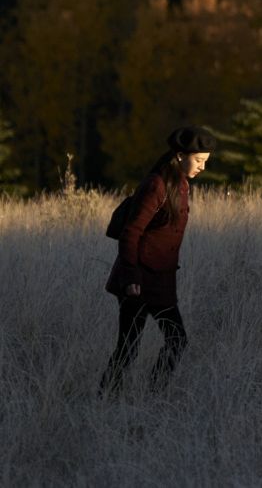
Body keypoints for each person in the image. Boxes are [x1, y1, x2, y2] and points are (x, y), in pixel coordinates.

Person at [99, 126, 215, 395]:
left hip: (160, 282)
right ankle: (106, 398)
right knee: (128, 347)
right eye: (199, 160)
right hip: (137, 281)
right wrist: (131, 277)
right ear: (179, 155)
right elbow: (131, 232)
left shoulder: (182, 185)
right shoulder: (156, 185)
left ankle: (154, 395)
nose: (203, 167)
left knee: (176, 340)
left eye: (206, 162)